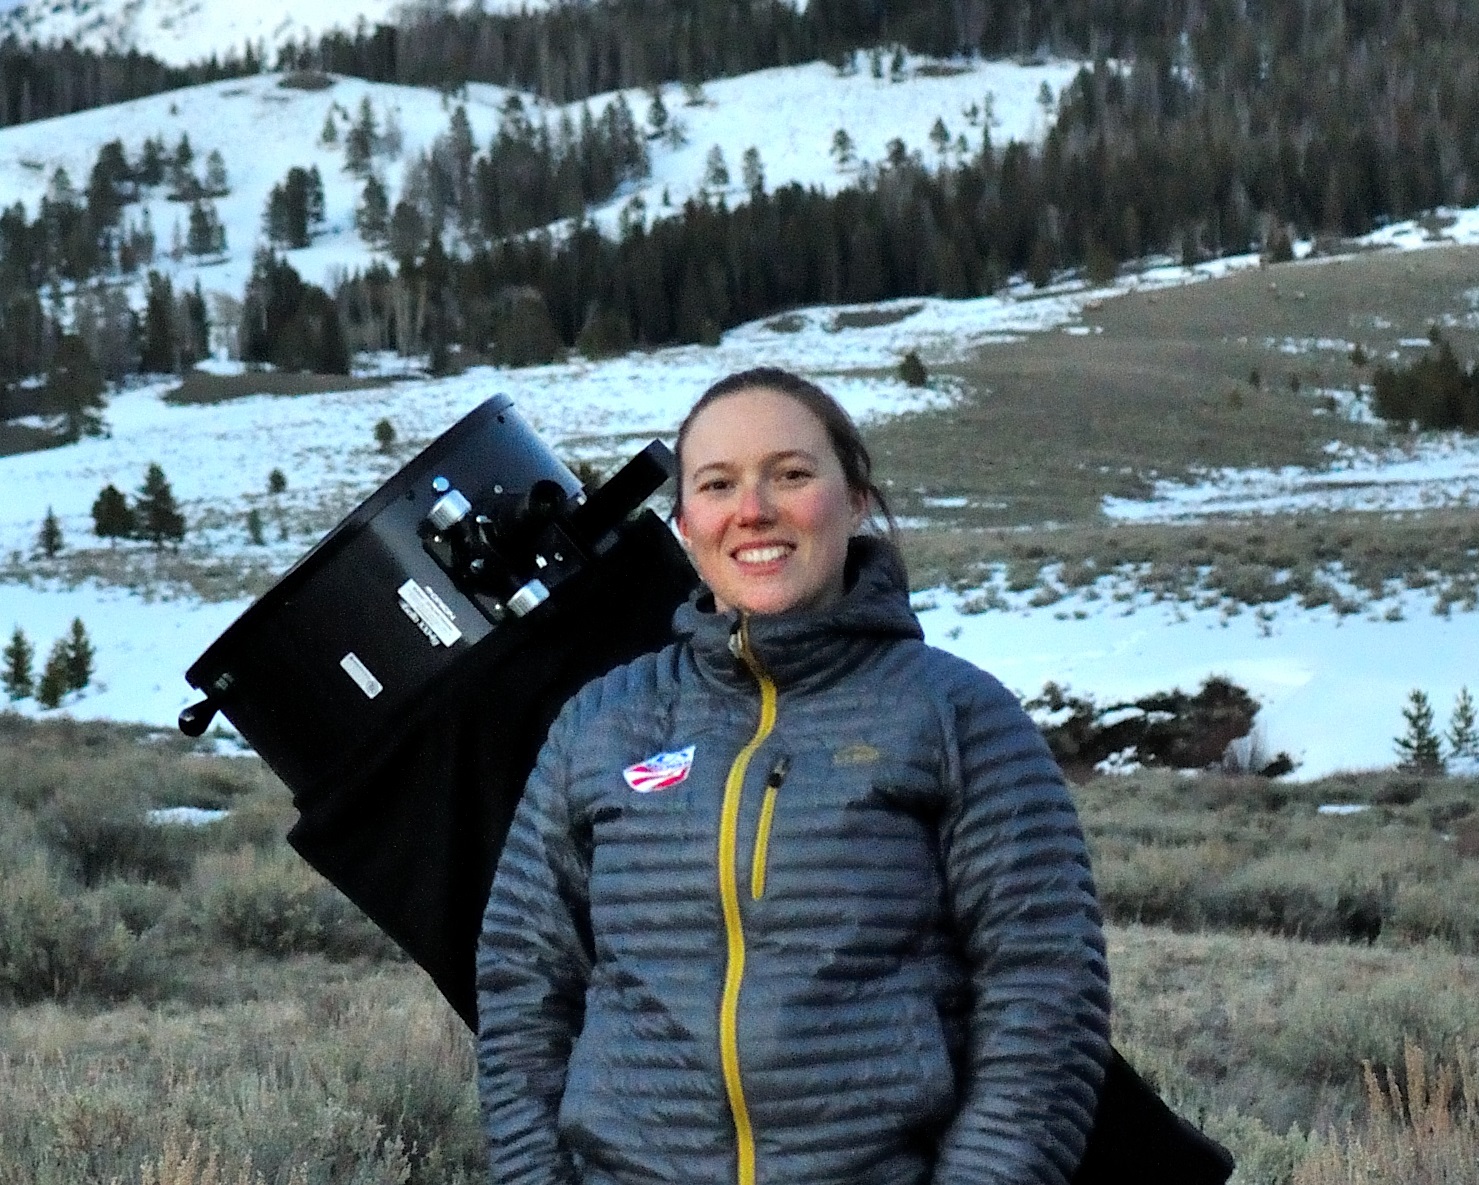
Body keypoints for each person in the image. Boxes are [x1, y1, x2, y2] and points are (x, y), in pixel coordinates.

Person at [476, 366, 1112, 1185]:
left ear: (854, 499)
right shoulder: (602, 722)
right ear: (684, 523)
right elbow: (523, 980)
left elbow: (1045, 992)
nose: (753, 509)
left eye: (791, 473)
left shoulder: (957, 715)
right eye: (717, 483)